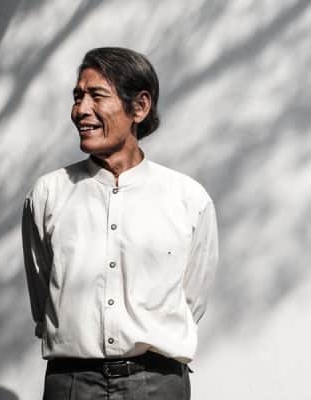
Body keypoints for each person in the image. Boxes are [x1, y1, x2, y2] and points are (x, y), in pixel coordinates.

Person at [22, 47, 218, 400]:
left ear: (139, 107)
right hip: (71, 384)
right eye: (77, 97)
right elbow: (43, 293)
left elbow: (192, 299)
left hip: (158, 384)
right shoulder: (48, 194)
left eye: (96, 96)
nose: (81, 110)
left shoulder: (188, 199)